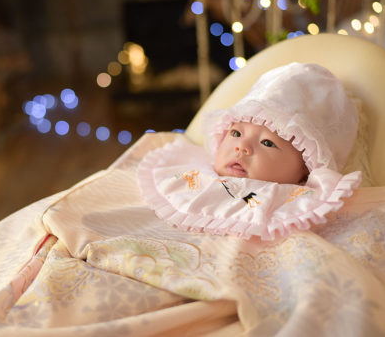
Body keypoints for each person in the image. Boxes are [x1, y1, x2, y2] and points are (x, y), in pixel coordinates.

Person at [137, 62, 362, 240]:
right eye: (236, 133)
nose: (242, 147)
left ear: (306, 167)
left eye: (267, 143)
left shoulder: (299, 206)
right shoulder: (193, 175)